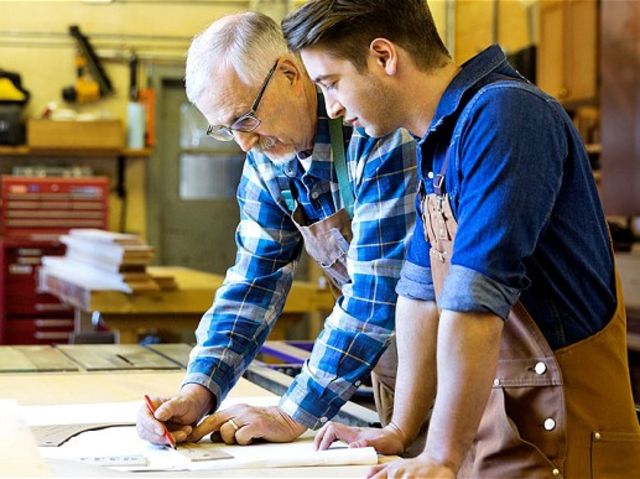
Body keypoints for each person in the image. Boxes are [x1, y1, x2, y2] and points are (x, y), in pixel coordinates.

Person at [282, 0, 640, 477]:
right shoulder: (438, 141)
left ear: (384, 56)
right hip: (512, 434)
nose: (332, 108)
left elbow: (474, 301)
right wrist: (401, 430)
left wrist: (442, 455)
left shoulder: (505, 116)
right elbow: (418, 296)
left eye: (331, 83)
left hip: (568, 442)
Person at [136, 11, 419, 450]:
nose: (244, 143)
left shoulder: (376, 133)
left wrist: (291, 414)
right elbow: (254, 282)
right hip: (393, 373)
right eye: (226, 129)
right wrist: (199, 390)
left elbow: (376, 292)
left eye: (245, 119)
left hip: (469, 370)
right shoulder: (268, 162)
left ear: (289, 74)